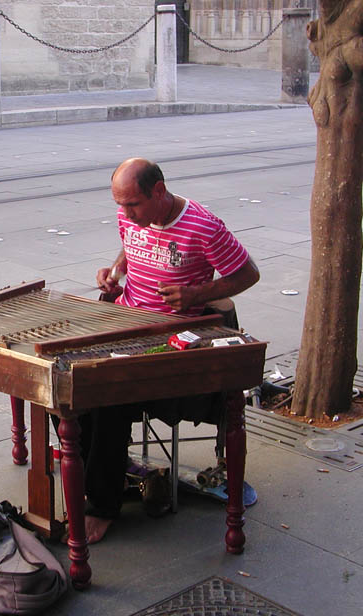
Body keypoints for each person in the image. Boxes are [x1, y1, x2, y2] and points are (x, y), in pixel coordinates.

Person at [80, 158, 260, 544]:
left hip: (173, 340)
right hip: (127, 323)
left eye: (133, 204)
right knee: (70, 385)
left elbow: (248, 273)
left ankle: (102, 505)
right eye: (120, 204)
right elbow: (130, 243)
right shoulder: (129, 215)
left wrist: (197, 294)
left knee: (107, 395)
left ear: (159, 190)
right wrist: (115, 274)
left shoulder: (203, 226)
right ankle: (103, 475)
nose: (126, 214)